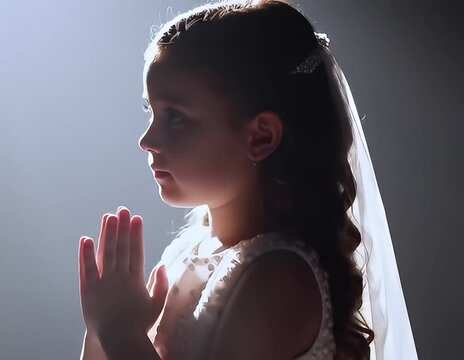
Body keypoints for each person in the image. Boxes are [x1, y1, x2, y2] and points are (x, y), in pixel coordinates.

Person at [78, 1, 418, 359]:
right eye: (151, 111)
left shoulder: (278, 281)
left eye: (175, 117)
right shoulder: (185, 253)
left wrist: (120, 330)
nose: (146, 140)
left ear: (260, 137)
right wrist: (100, 330)